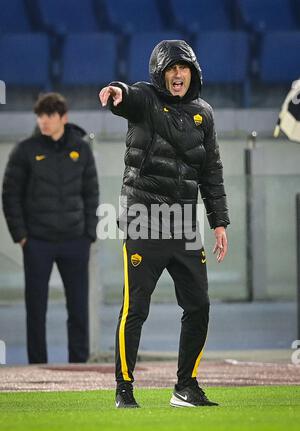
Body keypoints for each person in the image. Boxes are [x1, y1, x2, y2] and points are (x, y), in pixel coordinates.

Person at [99, 40, 229, 408]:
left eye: (183, 68)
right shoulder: (145, 100)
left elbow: (212, 173)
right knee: (135, 309)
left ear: (193, 72)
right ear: (160, 73)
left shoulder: (205, 114)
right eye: (171, 68)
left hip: (186, 226)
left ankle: (185, 387)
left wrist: (219, 222)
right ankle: (124, 390)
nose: (178, 74)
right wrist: (116, 92)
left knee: (199, 306)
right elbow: (129, 98)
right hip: (144, 221)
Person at [2, 93, 99, 364]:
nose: (44, 121)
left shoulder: (81, 149)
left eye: (49, 116)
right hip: (37, 242)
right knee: (36, 309)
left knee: (78, 308)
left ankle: (79, 365)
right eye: (40, 116)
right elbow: (10, 195)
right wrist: (21, 236)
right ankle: (37, 367)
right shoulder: (25, 150)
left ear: (63, 118)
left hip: (75, 241)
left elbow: (91, 193)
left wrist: (88, 234)